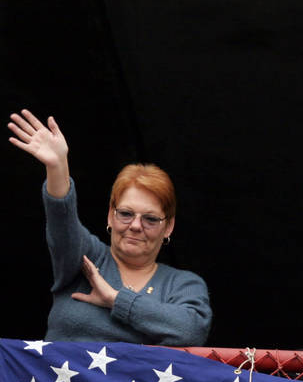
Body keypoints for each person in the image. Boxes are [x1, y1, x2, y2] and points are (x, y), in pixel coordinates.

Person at [8, 109, 211, 346]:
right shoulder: (86, 257)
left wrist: (115, 299)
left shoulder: (182, 284)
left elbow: (191, 331)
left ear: (169, 227)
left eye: (150, 219)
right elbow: (62, 221)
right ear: (110, 216)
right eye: (125, 214)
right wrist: (57, 168)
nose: (135, 226)